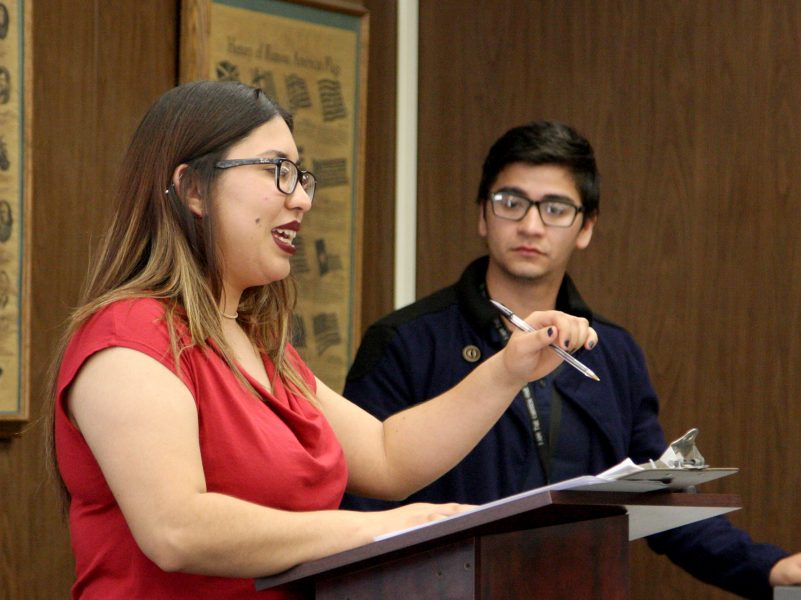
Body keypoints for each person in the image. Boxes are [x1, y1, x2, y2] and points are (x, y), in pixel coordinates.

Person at [48, 83, 599, 599]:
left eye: (300, 176)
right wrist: (373, 529)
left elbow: (387, 456)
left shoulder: (257, 345)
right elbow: (177, 529)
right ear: (194, 188)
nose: (302, 200)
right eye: (276, 172)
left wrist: (508, 369)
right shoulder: (127, 338)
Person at [340, 121, 801, 598]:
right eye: (510, 201)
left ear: (587, 226)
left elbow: (660, 501)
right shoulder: (405, 342)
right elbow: (361, 510)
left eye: (555, 208)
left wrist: (769, 568)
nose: (530, 225)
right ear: (483, 214)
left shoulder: (614, 352)